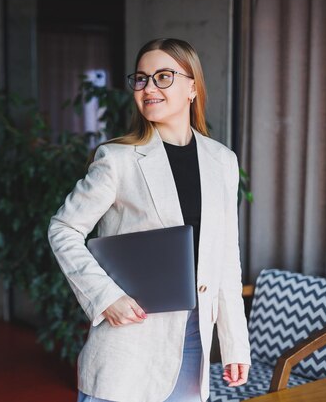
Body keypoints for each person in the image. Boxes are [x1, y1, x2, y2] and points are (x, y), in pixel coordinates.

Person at [47, 38, 251, 402]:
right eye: (141, 79)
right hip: (129, 339)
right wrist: (105, 296)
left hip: (194, 343)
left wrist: (235, 343)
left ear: (192, 87)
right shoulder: (118, 158)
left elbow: (226, 259)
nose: (149, 88)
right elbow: (63, 229)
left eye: (163, 77)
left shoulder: (223, 161)